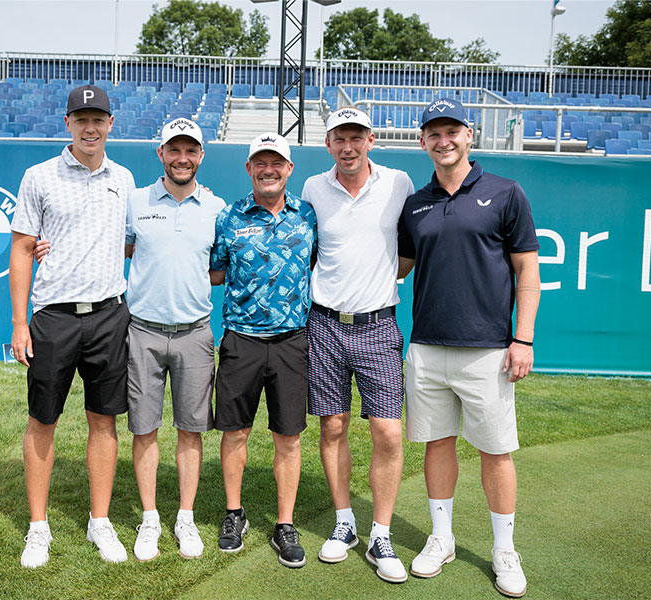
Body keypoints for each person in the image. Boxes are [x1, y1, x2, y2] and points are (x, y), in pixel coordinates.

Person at [33, 118, 225, 561]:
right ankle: (150, 519)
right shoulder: (135, 201)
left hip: (196, 332)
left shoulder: (216, 208)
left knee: (191, 431)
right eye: (173, 150)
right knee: (144, 428)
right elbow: (101, 241)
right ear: (160, 154)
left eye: (190, 150)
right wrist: (50, 246)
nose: (182, 158)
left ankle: (186, 519)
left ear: (200, 155)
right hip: (140, 331)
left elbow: (221, 264)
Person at [397, 97, 540, 598]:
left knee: (495, 450)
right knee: (437, 444)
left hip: (488, 349)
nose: (443, 140)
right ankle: (441, 539)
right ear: (423, 142)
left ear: (469, 134)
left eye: (451, 131)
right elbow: (397, 267)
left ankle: (504, 548)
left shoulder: (505, 193)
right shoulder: (415, 203)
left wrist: (522, 338)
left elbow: (527, 273)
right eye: (433, 133)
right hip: (427, 347)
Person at [9, 84, 135, 568]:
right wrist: (21, 323)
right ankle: (38, 528)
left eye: (98, 118)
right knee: (43, 420)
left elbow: (129, 240)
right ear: (67, 123)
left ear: (109, 123)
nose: (90, 127)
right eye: (81, 118)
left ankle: (98, 522)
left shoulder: (122, 178)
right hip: (54, 318)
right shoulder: (38, 177)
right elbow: (22, 250)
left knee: (103, 421)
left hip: (108, 314)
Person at [300, 106, 414, 583]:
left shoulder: (399, 183)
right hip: (324, 324)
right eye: (338, 139)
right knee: (332, 427)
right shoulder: (312, 188)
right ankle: (345, 522)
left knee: (388, 431)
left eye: (356, 137)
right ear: (328, 144)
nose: (347, 147)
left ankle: (381, 533)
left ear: (371, 140)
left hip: (377, 325)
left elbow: (407, 254)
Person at [209, 133, 317, 569]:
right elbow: (216, 272)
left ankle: (284, 525)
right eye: (260, 162)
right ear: (249, 168)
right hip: (241, 340)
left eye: (277, 162)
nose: (268, 169)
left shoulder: (307, 216)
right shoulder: (229, 217)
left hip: (292, 342)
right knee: (235, 432)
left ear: (289, 169)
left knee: (288, 437)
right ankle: (234, 514)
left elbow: (315, 264)